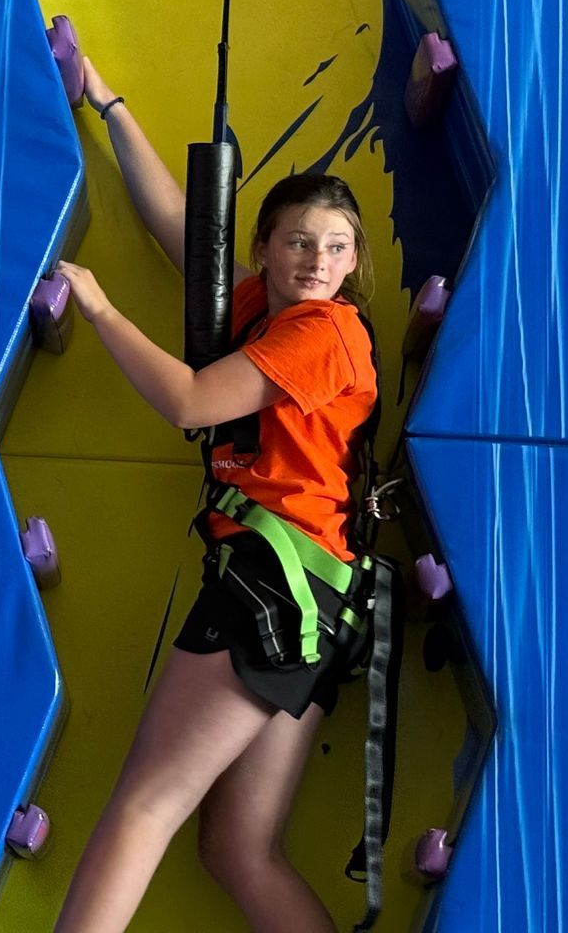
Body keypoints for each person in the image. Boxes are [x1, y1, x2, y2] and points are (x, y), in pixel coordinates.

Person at [52, 56, 379, 933]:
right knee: (236, 849)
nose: (317, 260)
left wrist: (100, 309)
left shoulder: (324, 333)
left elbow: (193, 403)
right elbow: (179, 229)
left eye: (337, 247)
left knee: (147, 804)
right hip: (316, 598)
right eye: (300, 242)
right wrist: (108, 100)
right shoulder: (259, 310)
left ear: (355, 264)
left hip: (272, 580)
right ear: (267, 247)